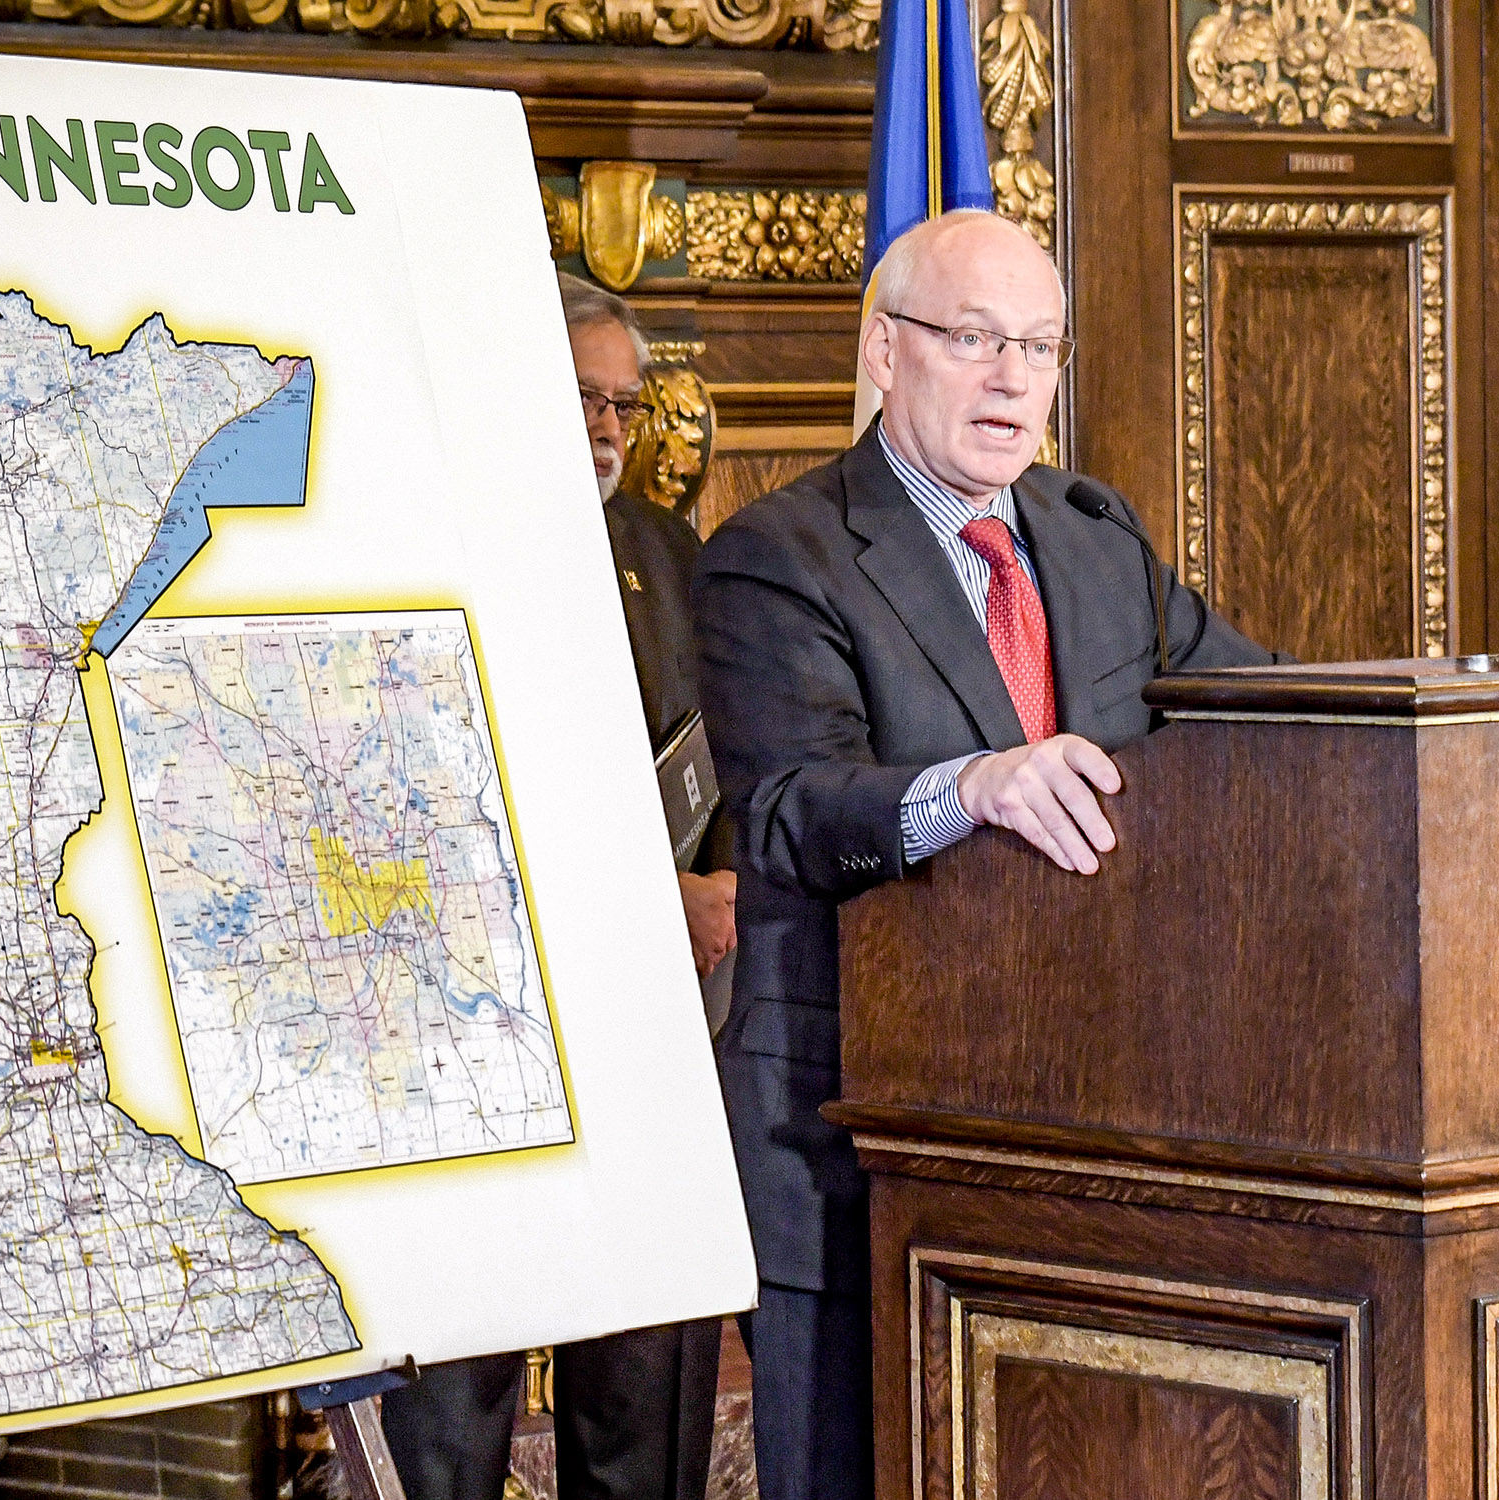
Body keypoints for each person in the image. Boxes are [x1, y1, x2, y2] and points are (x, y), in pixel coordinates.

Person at [691, 210, 1278, 1500]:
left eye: (1040, 346)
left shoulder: (1091, 535)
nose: (1014, 377)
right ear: (885, 351)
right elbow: (790, 810)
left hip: (1080, 1140)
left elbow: (1270, 714)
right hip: (853, 1152)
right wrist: (974, 786)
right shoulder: (778, 556)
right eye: (974, 339)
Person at [378, 273, 731, 1500]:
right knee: (450, 1422)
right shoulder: (428, 543)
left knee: (646, 1401)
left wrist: (723, 877)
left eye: (624, 406)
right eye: (581, 396)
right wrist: (647, 899)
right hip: (472, 1049)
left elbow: (713, 747)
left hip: (653, 1043)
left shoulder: (662, 549)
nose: (606, 428)